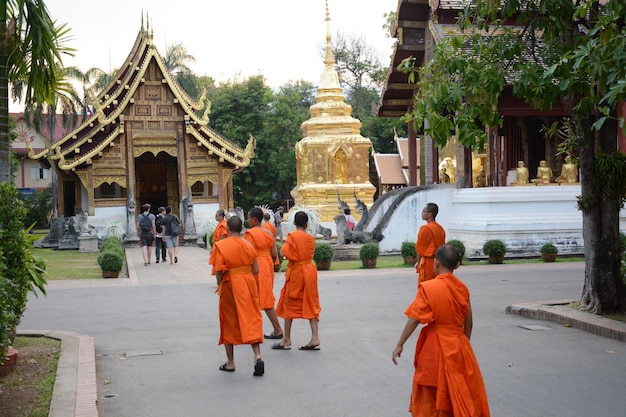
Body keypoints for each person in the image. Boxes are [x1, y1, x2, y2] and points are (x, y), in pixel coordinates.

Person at [392, 244, 490, 417]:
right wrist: (463, 346)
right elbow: (469, 323)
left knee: (431, 392)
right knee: (459, 391)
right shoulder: (463, 289)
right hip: (459, 344)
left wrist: (400, 344)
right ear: (457, 265)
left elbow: (414, 319)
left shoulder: (429, 288)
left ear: (435, 263)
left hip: (435, 347)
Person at [209, 216, 264, 376]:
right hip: (247, 282)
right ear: (241, 229)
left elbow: (219, 270)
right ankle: (257, 355)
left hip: (231, 283)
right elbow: (256, 270)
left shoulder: (222, 245)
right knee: (251, 317)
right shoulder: (249, 244)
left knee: (229, 320)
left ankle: (231, 362)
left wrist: (221, 284)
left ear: (227, 230)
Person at [272, 211, 321, 351]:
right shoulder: (310, 238)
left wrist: (293, 257)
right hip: (310, 270)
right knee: (311, 302)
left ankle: (286, 338)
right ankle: (315, 337)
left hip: (298, 271)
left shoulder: (292, 236)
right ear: (307, 224)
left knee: (289, 302)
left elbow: (283, 252)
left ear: (294, 223)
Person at [244, 207, 283, 339]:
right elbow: (273, 255)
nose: (248, 220)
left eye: (249, 218)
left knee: (258, 298)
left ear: (254, 219)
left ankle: (274, 330)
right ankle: (271, 329)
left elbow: (248, 255)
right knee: (264, 297)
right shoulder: (269, 233)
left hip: (256, 266)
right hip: (267, 265)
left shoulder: (250, 234)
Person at [415, 203, 446, 284]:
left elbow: (420, 249)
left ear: (430, 214)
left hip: (428, 263)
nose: (422, 213)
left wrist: (418, 263)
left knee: (427, 286)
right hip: (439, 262)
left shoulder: (426, 229)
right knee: (437, 285)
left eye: (423, 211)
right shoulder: (440, 228)